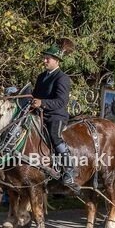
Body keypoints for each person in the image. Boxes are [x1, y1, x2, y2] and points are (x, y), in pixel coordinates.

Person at [32, 42, 79, 193]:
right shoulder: (41, 77)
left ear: (57, 61)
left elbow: (61, 101)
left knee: (54, 135)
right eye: (45, 58)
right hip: (38, 114)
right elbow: (35, 96)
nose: (45, 61)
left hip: (56, 115)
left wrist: (42, 103)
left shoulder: (62, 78)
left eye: (48, 58)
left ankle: (69, 170)